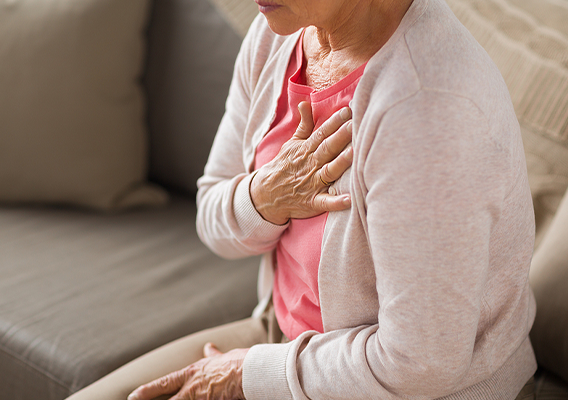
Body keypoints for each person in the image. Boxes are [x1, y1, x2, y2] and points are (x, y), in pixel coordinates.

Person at [67, 0, 538, 398]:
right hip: (286, 343)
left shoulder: (426, 108)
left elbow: (423, 363)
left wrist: (245, 374)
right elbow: (212, 217)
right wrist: (267, 195)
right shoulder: (277, 34)